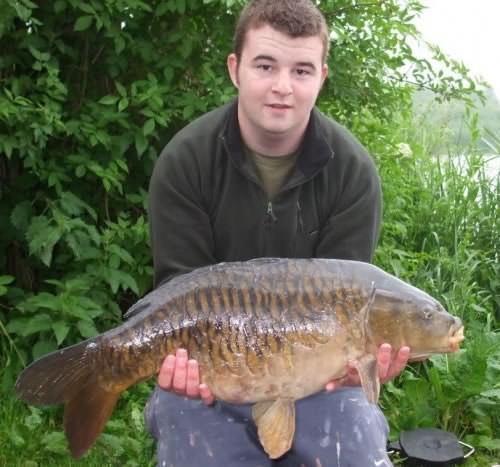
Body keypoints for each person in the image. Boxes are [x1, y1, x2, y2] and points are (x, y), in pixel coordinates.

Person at [145, 1, 409, 465]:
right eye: (265, 66)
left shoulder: (352, 173)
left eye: (302, 71)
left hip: (316, 378)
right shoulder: (185, 162)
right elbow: (178, 294)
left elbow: (351, 298)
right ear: (235, 69)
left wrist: (359, 362)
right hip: (213, 371)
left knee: (356, 445)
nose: (282, 87)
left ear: (322, 77)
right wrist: (182, 364)